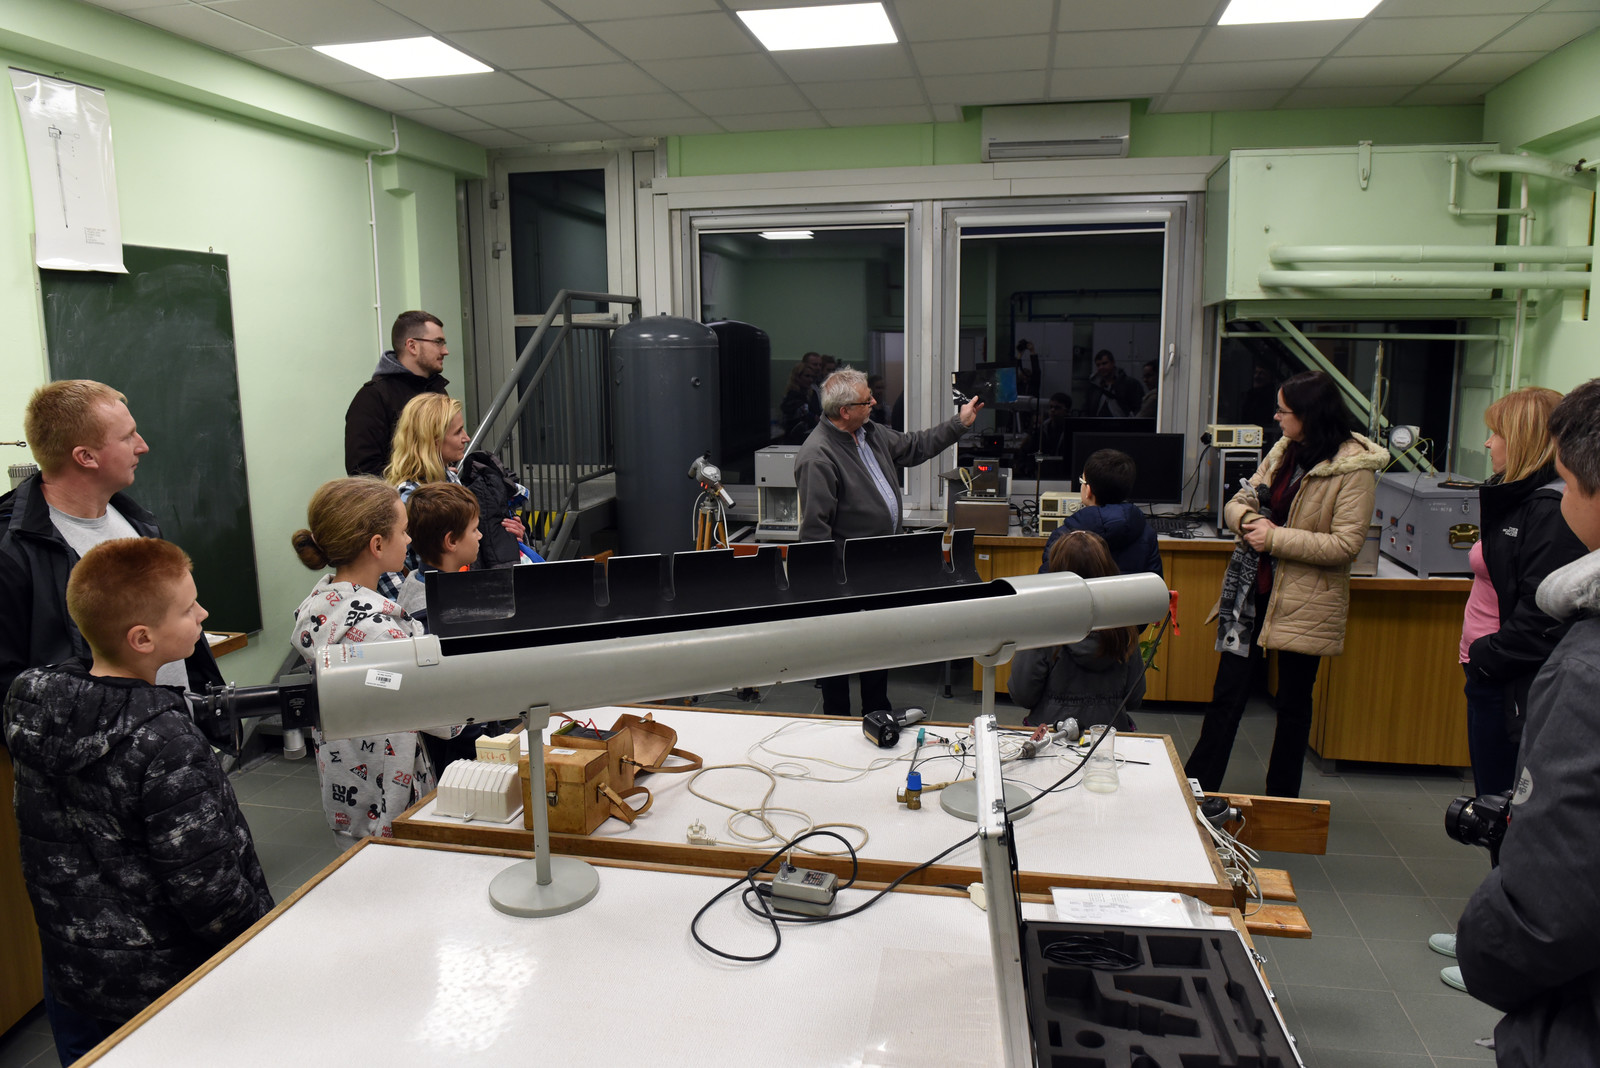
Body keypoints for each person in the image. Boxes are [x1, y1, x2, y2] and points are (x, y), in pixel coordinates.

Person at [5, 538, 271, 1064]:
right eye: (189, 608)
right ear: (142, 638)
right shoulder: (166, 740)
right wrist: (265, 941)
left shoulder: (32, 704)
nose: (203, 614)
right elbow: (209, 891)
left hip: (76, 970)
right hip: (165, 988)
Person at [1456, 377, 1600, 1066]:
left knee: (1511, 814)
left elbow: (1550, 902)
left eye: (1570, 483)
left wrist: (1487, 949)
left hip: (1571, 1023)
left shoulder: (1585, 672)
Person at [1429, 386, 1588, 990]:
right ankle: (1487, 929)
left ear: (1521, 439)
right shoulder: (1518, 502)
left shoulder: (1547, 511)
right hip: (1492, 674)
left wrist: (1487, 658)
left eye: (1495, 432)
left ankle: (1499, 952)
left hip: (1508, 679)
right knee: (1495, 804)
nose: (1487, 442)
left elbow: (1540, 616)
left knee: (1509, 814)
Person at [1184, 371, 1386, 798]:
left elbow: (1346, 545)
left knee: (1292, 706)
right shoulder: (1284, 450)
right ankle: (1196, 789)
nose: (1276, 417)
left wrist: (1274, 538)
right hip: (1252, 594)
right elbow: (1240, 499)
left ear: (1309, 414)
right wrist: (1248, 519)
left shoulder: (1354, 469)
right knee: (1227, 696)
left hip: (1306, 601)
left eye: (1283, 411)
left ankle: (1282, 803)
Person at [0, 380, 223, 705]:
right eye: (127, 436)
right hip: (101, 737)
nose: (142, 446)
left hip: (173, 725)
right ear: (86, 456)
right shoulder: (13, 551)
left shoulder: (137, 521)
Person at [795, 367, 982, 716]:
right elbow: (814, 534)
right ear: (845, 411)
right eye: (867, 400)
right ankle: (835, 721)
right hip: (842, 580)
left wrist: (960, 423)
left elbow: (915, 446)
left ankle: (877, 713)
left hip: (878, 570)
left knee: (876, 648)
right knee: (836, 656)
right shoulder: (818, 455)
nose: (874, 403)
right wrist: (826, 593)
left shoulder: (870, 432)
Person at [290, 476, 458, 842]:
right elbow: (441, 717)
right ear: (377, 545)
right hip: (391, 808)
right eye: (403, 531)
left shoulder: (319, 611)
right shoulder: (381, 633)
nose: (409, 540)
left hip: (348, 798)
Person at [384, 393, 534, 579]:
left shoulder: (451, 478)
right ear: (433, 439)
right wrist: (413, 595)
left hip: (462, 587)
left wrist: (514, 535)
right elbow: (385, 567)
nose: (467, 438)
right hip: (436, 593)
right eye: (458, 432)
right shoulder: (409, 495)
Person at [1009, 530, 1145, 729]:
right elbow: (1134, 698)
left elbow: (1022, 695)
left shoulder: (1042, 626)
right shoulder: (1123, 627)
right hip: (1109, 734)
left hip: (1052, 734)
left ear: (1057, 572)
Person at [344, 310, 451, 477]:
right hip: (397, 494)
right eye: (438, 342)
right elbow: (363, 473)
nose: (445, 351)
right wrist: (420, 481)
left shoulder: (437, 390)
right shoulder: (372, 398)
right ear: (412, 346)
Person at [1037, 449, 1162, 580]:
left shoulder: (1062, 537)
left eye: (1082, 481)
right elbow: (1156, 586)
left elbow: (1048, 584)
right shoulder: (1146, 534)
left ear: (1088, 490)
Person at [1087, 349, 1144, 418]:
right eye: (1098, 365)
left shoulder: (1130, 384)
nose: (1101, 367)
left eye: (1104, 363)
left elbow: (1139, 408)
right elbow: (1088, 410)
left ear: (1113, 363)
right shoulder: (1094, 388)